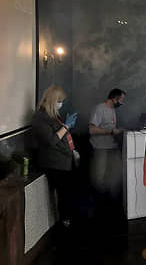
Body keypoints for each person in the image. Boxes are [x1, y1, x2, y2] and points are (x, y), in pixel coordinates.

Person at [31, 85, 78, 227]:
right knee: (64, 194)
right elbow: (51, 140)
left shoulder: (52, 114)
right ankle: (65, 222)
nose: (61, 104)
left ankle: (67, 219)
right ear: (53, 99)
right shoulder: (40, 117)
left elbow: (61, 137)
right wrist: (66, 126)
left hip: (63, 159)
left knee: (67, 192)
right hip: (54, 162)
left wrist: (72, 149)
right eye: (60, 100)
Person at [88, 88, 125, 207]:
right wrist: (111, 131)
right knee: (99, 176)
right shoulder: (100, 109)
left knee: (113, 174)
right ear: (114, 98)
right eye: (121, 100)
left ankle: (109, 202)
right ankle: (99, 204)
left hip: (111, 147)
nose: (122, 103)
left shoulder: (112, 110)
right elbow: (92, 129)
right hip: (100, 148)